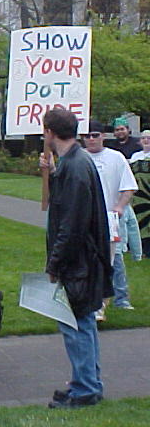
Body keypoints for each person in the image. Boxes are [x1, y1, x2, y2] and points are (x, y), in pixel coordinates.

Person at [40, 109, 112, 409]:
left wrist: (55, 264)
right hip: (82, 258)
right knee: (82, 323)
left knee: (76, 325)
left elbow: (72, 223)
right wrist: (54, 174)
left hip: (78, 262)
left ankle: (85, 388)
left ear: (50, 133)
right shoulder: (74, 164)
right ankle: (86, 382)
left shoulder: (76, 167)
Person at [83, 120, 138, 315]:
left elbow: (128, 187)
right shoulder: (78, 158)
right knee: (86, 263)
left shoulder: (116, 158)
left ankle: (107, 304)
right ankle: (90, 302)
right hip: (83, 220)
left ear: (103, 136)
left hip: (108, 219)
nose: (91, 139)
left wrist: (119, 207)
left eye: (95, 135)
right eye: (87, 135)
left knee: (110, 261)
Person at [130, 130, 150, 257]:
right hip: (138, 197)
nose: (146, 140)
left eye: (149, 138)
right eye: (143, 138)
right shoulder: (135, 156)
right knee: (140, 222)